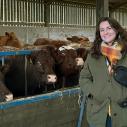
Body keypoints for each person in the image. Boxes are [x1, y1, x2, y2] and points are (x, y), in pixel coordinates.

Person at [79, 17, 127, 127]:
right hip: (98, 112)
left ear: (117, 30)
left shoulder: (125, 53)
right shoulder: (93, 55)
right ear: (99, 33)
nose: (106, 32)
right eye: (102, 30)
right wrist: (92, 92)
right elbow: (84, 77)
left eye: (109, 28)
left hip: (123, 112)